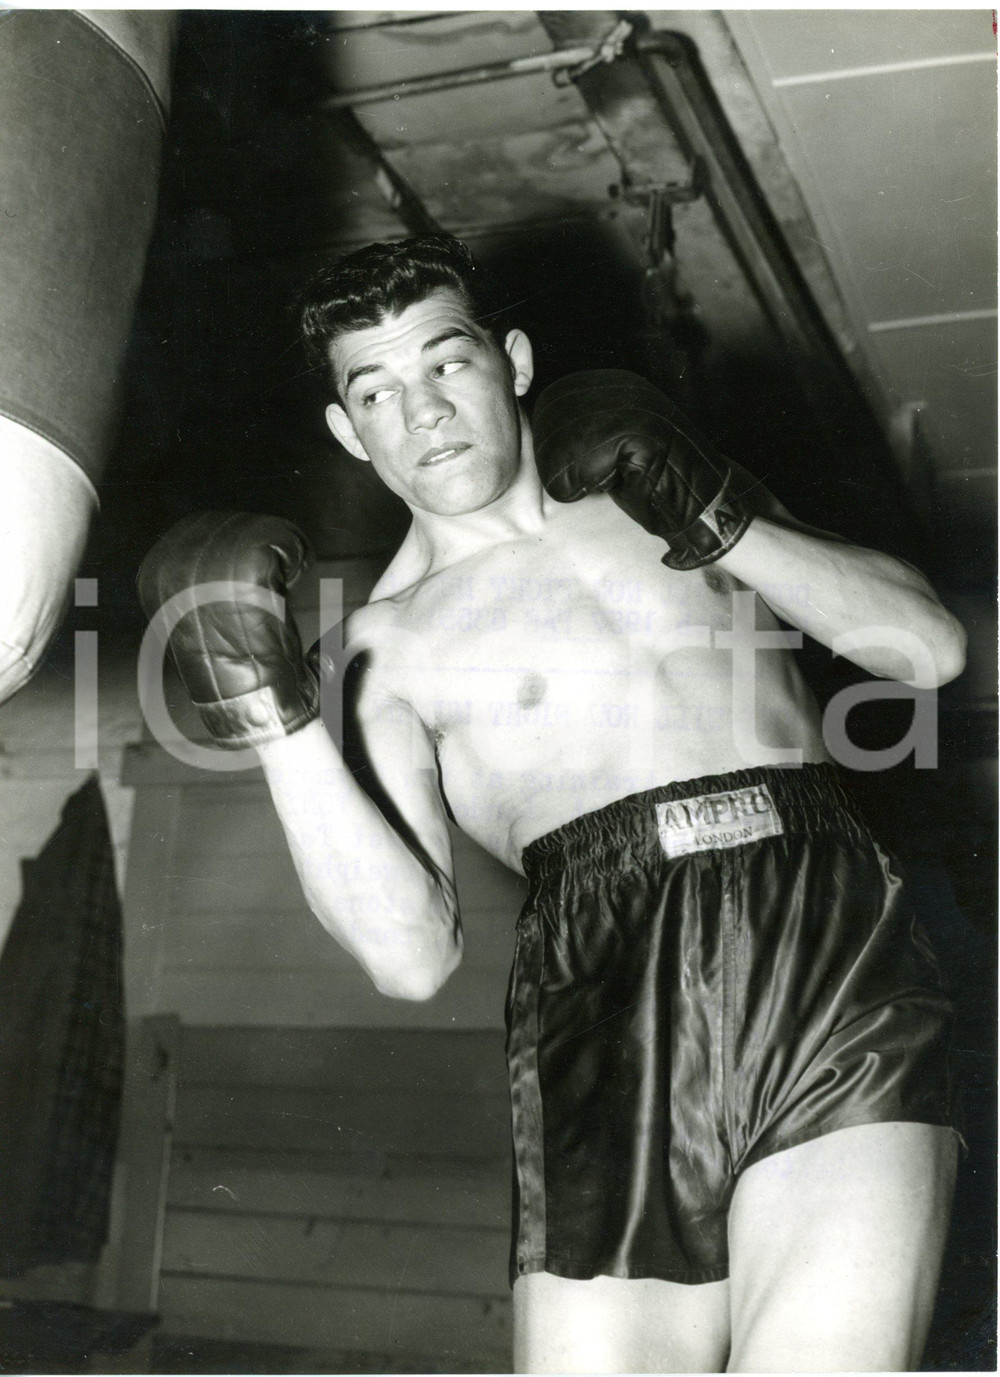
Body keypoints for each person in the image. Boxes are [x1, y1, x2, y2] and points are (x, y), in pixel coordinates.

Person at [138, 235, 967, 1373]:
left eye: (446, 363)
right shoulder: (377, 652)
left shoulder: (663, 494)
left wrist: (717, 514)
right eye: (374, 391)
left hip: (827, 941)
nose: (421, 412)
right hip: (603, 985)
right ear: (347, 432)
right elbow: (410, 959)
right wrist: (270, 720)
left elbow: (921, 650)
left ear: (513, 361)